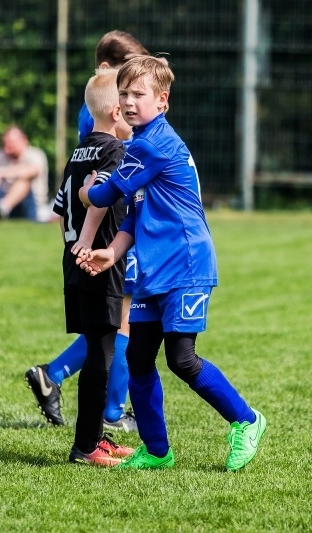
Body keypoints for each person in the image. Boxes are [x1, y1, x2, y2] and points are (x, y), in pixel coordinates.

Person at [77, 56, 267, 471]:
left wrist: (87, 190)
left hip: (186, 265)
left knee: (182, 359)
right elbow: (134, 213)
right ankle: (157, 451)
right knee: (140, 359)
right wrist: (113, 250)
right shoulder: (141, 144)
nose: (128, 102)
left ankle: (247, 421)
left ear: (162, 101)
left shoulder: (151, 144)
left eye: (138, 94)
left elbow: (105, 197)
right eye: (123, 93)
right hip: (153, 268)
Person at [25, 30, 148, 432]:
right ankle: (109, 410)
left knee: (113, 322)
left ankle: (58, 377)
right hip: (108, 230)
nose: (131, 98)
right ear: (106, 70)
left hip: (92, 230)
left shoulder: (94, 110)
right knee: (120, 320)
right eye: (126, 78)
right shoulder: (106, 120)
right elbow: (101, 184)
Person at [53, 69, 136, 466]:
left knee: (96, 348)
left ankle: (95, 438)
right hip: (97, 263)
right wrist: (90, 244)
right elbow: (99, 197)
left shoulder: (78, 152)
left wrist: (76, 244)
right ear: (117, 110)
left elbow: (59, 208)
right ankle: (85, 447)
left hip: (74, 262)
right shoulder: (114, 152)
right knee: (102, 356)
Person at [0, 125, 49, 222]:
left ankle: (2, 208)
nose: (7, 148)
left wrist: (0, 173)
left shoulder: (35, 155)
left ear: (23, 140)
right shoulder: (2, 155)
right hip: (1, 195)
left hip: (31, 204)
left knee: (24, 181)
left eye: (11, 144)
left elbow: (31, 171)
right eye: (5, 143)